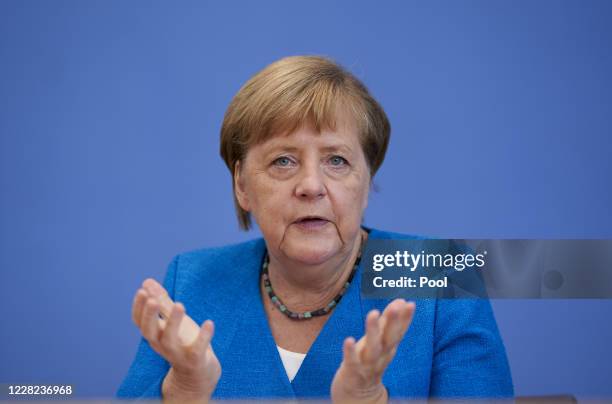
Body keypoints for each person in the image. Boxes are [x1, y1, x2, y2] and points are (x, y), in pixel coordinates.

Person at [116, 56, 513, 402]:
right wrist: (184, 390)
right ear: (242, 185)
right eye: (283, 161)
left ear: (367, 179)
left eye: (337, 160)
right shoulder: (193, 282)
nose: (311, 185)